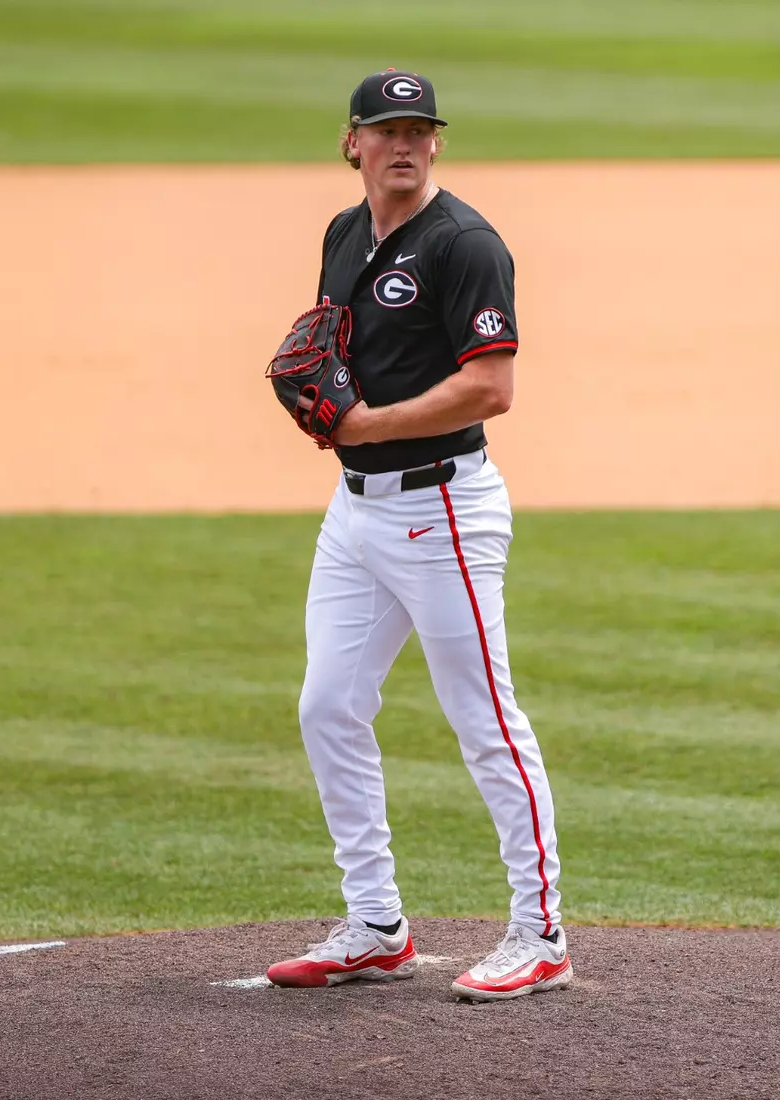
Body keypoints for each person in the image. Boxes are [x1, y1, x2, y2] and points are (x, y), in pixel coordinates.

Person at [263, 69, 570, 1002]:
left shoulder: (466, 245)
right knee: (327, 706)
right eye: (384, 130)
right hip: (355, 515)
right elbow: (338, 352)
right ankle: (376, 924)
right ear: (351, 144)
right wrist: (327, 408)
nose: (403, 144)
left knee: (485, 723)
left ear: (438, 142)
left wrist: (363, 424)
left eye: (418, 129)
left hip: (442, 510)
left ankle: (541, 932)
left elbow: (492, 387)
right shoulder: (345, 232)